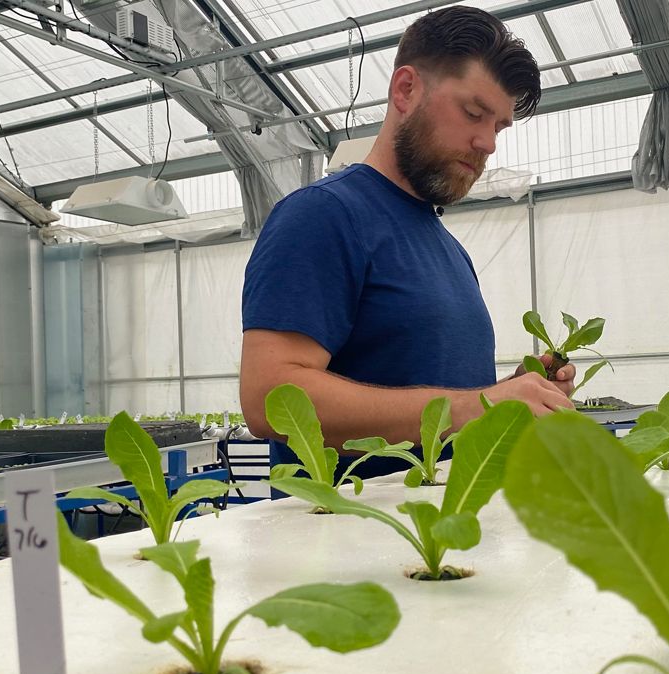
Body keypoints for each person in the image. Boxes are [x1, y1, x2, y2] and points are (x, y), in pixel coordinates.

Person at [240, 6, 576, 478]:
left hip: (439, 536)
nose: (488, 143)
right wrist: (473, 406)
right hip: (347, 537)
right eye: (473, 113)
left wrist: (509, 396)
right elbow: (268, 398)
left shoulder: (447, 248)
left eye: (498, 127)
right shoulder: (323, 215)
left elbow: (446, 409)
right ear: (406, 89)